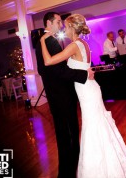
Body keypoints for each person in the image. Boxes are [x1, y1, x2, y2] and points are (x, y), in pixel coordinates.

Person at [41, 14, 126, 178]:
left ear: (72, 28)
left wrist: (43, 40)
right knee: (97, 126)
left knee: (93, 127)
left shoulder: (74, 45)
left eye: (66, 26)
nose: (64, 29)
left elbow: (48, 62)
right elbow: (79, 68)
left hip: (87, 92)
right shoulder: (83, 44)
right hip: (90, 89)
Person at [35, 12, 94, 178]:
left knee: (64, 132)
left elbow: (43, 70)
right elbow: (59, 70)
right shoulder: (50, 41)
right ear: (49, 22)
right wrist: (83, 75)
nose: (61, 25)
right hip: (62, 95)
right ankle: (70, 169)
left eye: (63, 23)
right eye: (59, 22)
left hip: (56, 95)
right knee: (69, 133)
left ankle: (68, 169)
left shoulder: (45, 41)